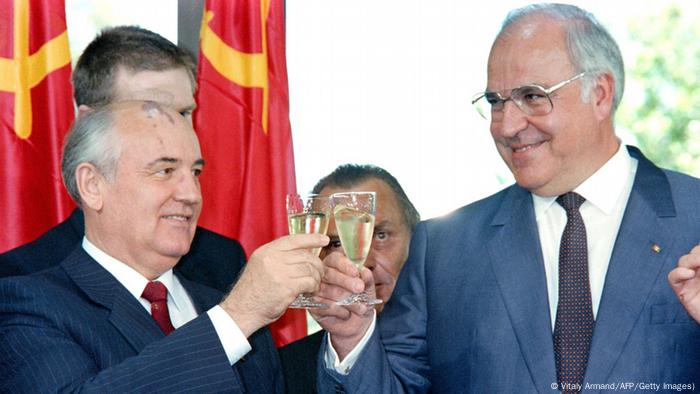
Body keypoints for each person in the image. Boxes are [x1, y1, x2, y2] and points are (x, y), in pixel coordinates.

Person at [314, 3, 700, 393]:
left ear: (599, 94)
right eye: (496, 102)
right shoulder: (444, 251)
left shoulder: (694, 218)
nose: (507, 125)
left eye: (532, 96)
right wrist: (351, 338)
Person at [0, 100, 328, 391]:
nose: (192, 194)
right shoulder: (29, 306)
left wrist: (346, 340)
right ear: (93, 185)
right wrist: (236, 317)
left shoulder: (218, 302)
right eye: (165, 170)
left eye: (195, 171)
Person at [0, 26, 243, 294]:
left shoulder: (223, 261)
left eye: (184, 112)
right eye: (150, 111)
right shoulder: (22, 278)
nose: (174, 128)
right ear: (87, 123)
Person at [278, 164, 419, 393]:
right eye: (335, 243)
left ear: (416, 238)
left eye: (380, 235)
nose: (363, 263)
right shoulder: (284, 369)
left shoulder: (456, 345)